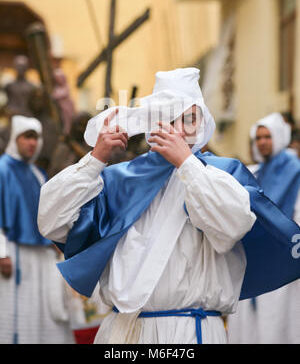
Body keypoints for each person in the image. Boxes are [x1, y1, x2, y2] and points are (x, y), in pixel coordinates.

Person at [38, 68, 300, 345]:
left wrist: (187, 164)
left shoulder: (221, 174)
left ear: (200, 122)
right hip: (124, 332)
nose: (175, 126)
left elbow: (232, 226)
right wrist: (95, 160)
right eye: (166, 116)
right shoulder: (119, 179)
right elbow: (51, 221)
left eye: (186, 118)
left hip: (188, 330)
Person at [0, 115, 75, 344]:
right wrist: (1, 253)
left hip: (43, 254)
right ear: (16, 138)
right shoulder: (2, 169)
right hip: (14, 253)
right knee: (16, 314)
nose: (32, 143)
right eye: (27, 137)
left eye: (36, 138)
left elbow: (46, 215)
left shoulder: (37, 174)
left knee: (47, 315)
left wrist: (55, 240)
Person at [227, 112, 300, 344]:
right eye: (258, 137)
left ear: (278, 137)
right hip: (254, 257)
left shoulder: (295, 170)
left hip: (284, 259)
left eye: (267, 136)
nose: (262, 142)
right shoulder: (255, 171)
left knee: (279, 323)